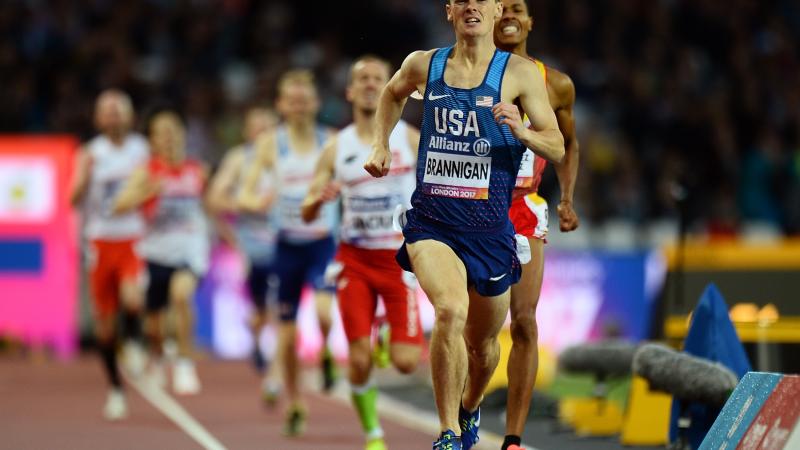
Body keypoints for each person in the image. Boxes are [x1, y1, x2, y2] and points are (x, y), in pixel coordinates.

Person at [364, 0, 565, 448]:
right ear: (450, 11)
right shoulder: (424, 64)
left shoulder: (519, 74)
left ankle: (470, 407)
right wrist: (381, 144)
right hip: (433, 223)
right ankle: (448, 432)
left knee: (483, 348)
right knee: (449, 312)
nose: (473, 5)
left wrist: (525, 132)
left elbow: (557, 146)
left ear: (497, 12)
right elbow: (392, 94)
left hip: (491, 231)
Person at [301, 55, 424, 450]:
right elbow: (306, 211)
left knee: (406, 362)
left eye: (378, 79)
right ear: (350, 91)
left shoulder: (410, 138)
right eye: (363, 79)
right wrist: (318, 200)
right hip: (354, 260)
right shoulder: (336, 147)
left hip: (399, 261)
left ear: (391, 87)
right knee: (356, 360)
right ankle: (373, 432)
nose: (371, 84)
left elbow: (441, 183)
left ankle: (388, 329)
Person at [494, 1, 581, 449]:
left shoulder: (557, 84)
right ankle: (464, 411)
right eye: (500, 6)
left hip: (524, 207)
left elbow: (568, 143)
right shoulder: (468, 75)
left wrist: (566, 198)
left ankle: (512, 438)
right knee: (477, 331)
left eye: (518, 7)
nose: (508, 13)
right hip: (474, 208)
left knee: (524, 323)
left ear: (529, 22)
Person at [239, 70, 337, 436]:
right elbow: (245, 194)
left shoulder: (330, 140)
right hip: (286, 247)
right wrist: (259, 201)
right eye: (290, 100)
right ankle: (296, 401)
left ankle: (327, 351)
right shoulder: (269, 144)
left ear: (315, 103)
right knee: (286, 334)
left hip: (322, 242)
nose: (297, 106)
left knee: (326, 313)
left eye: (304, 99)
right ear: (280, 105)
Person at [113, 109, 210, 396]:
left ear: (183, 135)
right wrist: (147, 192)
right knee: (155, 327)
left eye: (173, 131)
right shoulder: (146, 171)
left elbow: (209, 207)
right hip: (155, 253)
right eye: (161, 133)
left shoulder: (198, 169)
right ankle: (157, 354)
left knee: (181, 296)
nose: (168, 138)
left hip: (190, 251)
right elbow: (119, 205)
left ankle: (184, 362)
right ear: (153, 140)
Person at [69, 89, 149, 420]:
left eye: (119, 111)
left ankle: (134, 343)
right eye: (108, 112)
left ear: (129, 116)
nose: (113, 117)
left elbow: (151, 186)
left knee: (133, 299)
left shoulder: (141, 150)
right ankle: (116, 389)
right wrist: (85, 176)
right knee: (104, 327)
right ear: (98, 118)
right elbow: (72, 200)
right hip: (100, 242)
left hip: (132, 237)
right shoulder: (89, 152)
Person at [206, 107, 282, 398]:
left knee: (281, 309)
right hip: (252, 246)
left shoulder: (286, 155)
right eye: (257, 127)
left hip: (283, 242)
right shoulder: (238, 159)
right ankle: (257, 340)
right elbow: (214, 200)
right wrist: (247, 205)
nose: (263, 132)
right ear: (247, 132)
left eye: (268, 126)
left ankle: (275, 375)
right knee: (261, 311)